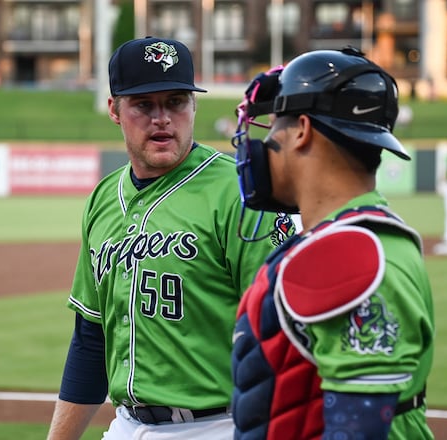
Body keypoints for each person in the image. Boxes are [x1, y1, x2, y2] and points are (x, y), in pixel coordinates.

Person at [46, 36, 295, 440]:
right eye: (143, 104)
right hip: (125, 425)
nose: (161, 118)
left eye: (176, 101)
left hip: (220, 426)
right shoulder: (103, 198)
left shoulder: (241, 192)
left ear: (194, 106)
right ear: (114, 109)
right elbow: (91, 339)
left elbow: (283, 330)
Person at [230, 47, 435, 439]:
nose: (264, 143)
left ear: (302, 130)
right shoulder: (356, 238)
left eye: (272, 127)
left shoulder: (348, 255)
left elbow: (358, 429)